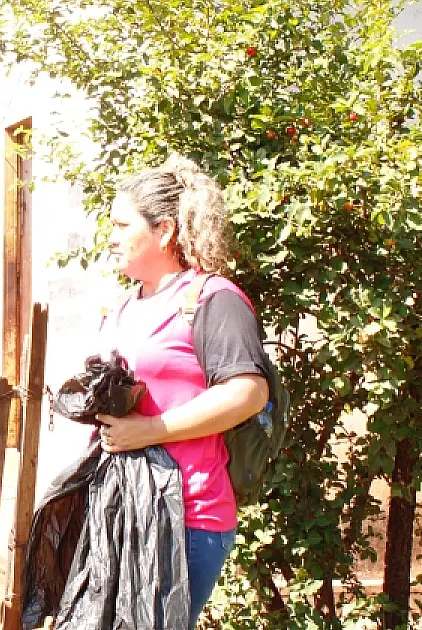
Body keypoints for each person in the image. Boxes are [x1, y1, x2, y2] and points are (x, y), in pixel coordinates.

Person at [95, 154, 272, 628]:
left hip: (186, 518)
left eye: (122, 225)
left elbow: (248, 392)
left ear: (165, 231)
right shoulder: (126, 305)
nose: (111, 237)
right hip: (124, 511)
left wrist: (150, 430)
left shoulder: (213, 299)